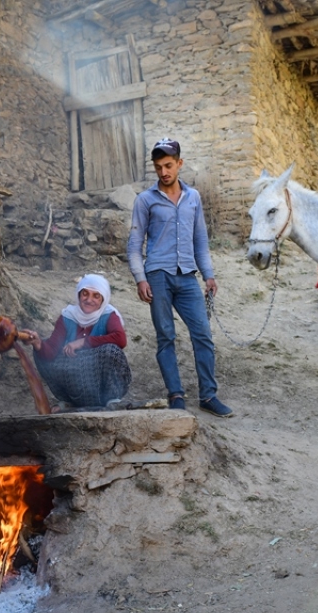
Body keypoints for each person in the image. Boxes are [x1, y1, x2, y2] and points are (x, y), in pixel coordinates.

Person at [126, 137, 233, 417]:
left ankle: (208, 396)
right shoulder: (145, 200)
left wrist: (208, 275)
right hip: (158, 276)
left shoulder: (193, 198)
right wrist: (140, 278)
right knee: (166, 337)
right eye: (159, 167)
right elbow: (134, 244)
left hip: (187, 277)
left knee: (203, 335)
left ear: (179, 164)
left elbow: (200, 241)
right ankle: (175, 395)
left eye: (169, 165)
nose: (164, 172)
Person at [16, 274, 131, 409]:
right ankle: (68, 402)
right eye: (85, 294)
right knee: (41, 351)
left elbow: (120, 339)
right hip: (74, 386)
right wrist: (37, 343)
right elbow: (51, 350)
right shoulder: (68, 316)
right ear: (78, 294)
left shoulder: (109, 315)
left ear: (103, 299)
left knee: (111, 350)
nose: (89, 300)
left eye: (96, 296)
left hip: (101, 389)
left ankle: (112, 400)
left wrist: (83, 342)